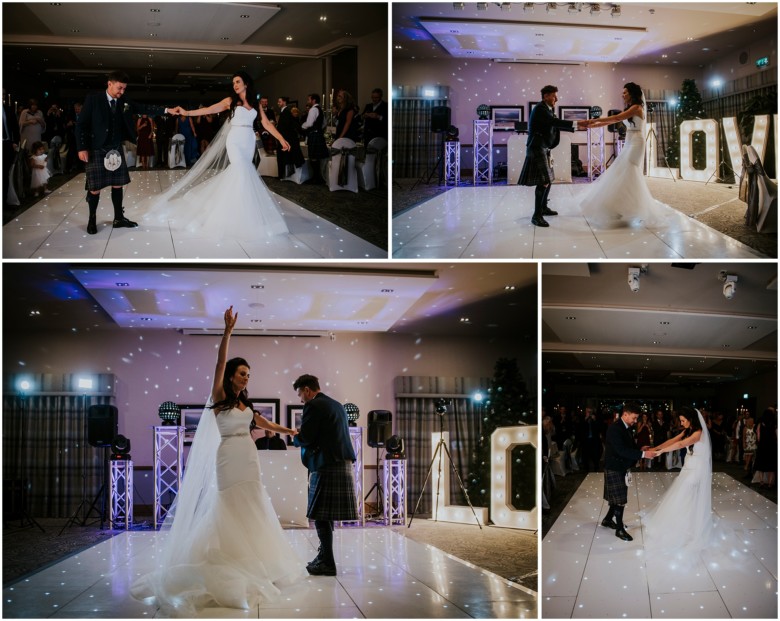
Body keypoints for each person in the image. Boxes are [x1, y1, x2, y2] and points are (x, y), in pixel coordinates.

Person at [131, 306, 305, 616]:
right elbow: (220, 361)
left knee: (252, 504)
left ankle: (258, 562)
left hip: (249, 458)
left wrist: (288, 429)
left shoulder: (245, 403)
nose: (245, 377)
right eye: (242, 373)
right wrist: (227, 331)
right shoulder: (219, 396)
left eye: (248, 375)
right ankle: (226, 560)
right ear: (231, 375)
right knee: (229, 504)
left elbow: (264, 424)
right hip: (228, 458)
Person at [139, 72, 290, 240]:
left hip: (248, 140)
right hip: (234, 141)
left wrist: (281, 138)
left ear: (246, 83)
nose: (235, 85)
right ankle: (230, 215)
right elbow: (208, 110)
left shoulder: (255, 103)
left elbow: (266, 123)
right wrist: (187, 113)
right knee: (241, 171)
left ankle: (239, 213)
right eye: (233, 83)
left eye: (238, 82)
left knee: (243, 175)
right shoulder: (230, 101)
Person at [76, 70, 178, 234]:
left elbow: (143, 107)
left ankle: (118, 218)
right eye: (119, 88)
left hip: (115, 148)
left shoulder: (123, 100)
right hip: (96, 149)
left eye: (124, 89)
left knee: (118, 185)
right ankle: (92, 219)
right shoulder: (93, 100)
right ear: (110, 83)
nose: (122, 92)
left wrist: (167, 110)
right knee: (95, 188)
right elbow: (81, 125)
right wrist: (81, 147)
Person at [292, 374, 358, 576]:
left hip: (327, 464)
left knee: (320, 515)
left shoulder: (314, 405)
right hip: (342, 463)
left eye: (300, 395)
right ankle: (324, 557)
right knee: (326, 515)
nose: (301, 400)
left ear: (307, 390)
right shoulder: (337, 405)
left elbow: (307, 437)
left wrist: (296, 436)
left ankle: (327, 562)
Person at [578, 82, 668, 228]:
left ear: (632, 93)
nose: (623, 94)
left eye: (625, 92)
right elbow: (616, 120)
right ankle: (619, 207)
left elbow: (617, 118)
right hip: (629, 140)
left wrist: (591, 120)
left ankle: (632, 206)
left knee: (630, 171)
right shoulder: (630, 108)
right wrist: (592, 126)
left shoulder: (637, 107)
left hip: (636, 142)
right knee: (621, 172)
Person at [642, 407, 713, 554]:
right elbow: (672, 441)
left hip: (696, 470)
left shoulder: (698, 433)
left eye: (683, 420)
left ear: (691, 419)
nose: (681, 423)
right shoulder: (687, 431)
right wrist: (656, 448)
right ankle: (684, 523)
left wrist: (661, 452)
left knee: (686, 495)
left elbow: (681, 445)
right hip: (688, 467)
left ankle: (689, 527)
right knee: (684, 495)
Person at [519, 85, 583, 227]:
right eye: (554, 96)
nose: (557, 99)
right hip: (537, 148)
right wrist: (577, 124)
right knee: (544, 181)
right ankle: (536, 216)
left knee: (549, 179)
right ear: (546, 96)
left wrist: (576, 126)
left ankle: (543, 208)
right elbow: (554, 122)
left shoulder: (547, 109)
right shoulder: (540, 109)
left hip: (543, 147)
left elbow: (555, 125)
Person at [601, 401, 656, 541]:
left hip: (621, 466)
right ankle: (619, 530)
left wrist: (640, 449)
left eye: (637, 418)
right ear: (625, 414)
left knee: (616, 498)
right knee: (619, 500)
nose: (635, 420)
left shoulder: (625, 427)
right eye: (634, 417)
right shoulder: (615, 428)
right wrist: (643, 455)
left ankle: (607, 520)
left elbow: (629, 446)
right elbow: (621, 450)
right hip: (614, 467)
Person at [300, 93, 329, 184]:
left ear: (314, 100)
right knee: (317, 157)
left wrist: (302, 126)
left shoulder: (313, 109)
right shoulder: (320, 109)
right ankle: (318, 177)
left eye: (309, 100)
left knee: (313, 157)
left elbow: (309, 123)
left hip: (314, 135)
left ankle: (316, 178)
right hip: (319, 134)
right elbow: (324, 124)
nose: (307, 102)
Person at [275, 95, 304, 178]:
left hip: (285, 138)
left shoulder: (286, 111)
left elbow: (286, 126)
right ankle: (283, 175)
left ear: (284, 102)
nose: (278, 103)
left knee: (281, 157)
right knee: (283, 157)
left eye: (279, 101)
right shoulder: (286, 111)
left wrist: (279, 135)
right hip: (285, 137)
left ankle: (281, 175)